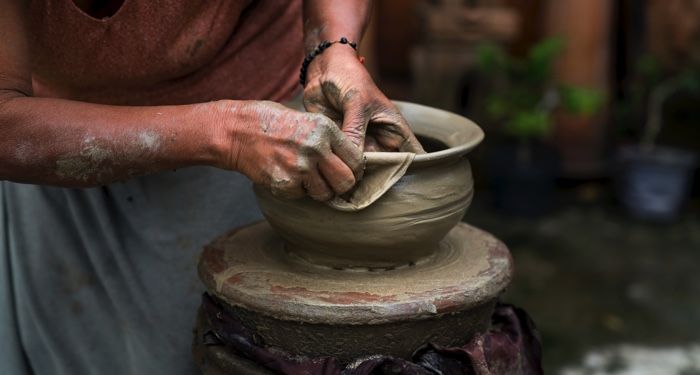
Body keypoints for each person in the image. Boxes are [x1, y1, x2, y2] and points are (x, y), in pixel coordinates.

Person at [0, 1, 423, 373]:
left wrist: (334, 48)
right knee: (67, 344)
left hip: (255, 117)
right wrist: (227, 132)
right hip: (57, 138)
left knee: (196, 347)